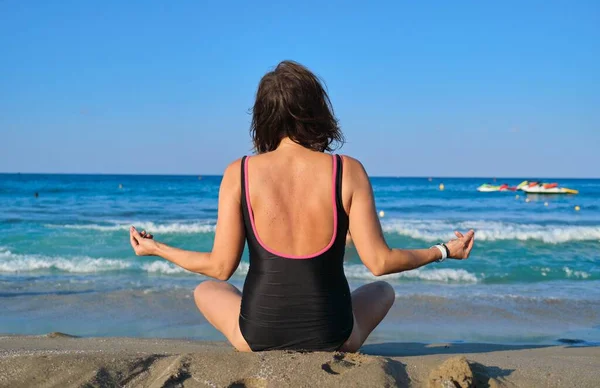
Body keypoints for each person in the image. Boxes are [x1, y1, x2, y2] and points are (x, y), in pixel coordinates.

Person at [129, 60, 475, 352]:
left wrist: (155, 248)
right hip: (334, 336)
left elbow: (220, 268)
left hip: (258, 336)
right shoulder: (347, 170)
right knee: (383, 291)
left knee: (207, 289)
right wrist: (443, 250)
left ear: (263, 116)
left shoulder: (239, 173)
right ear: (317, 111)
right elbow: (380, 263)